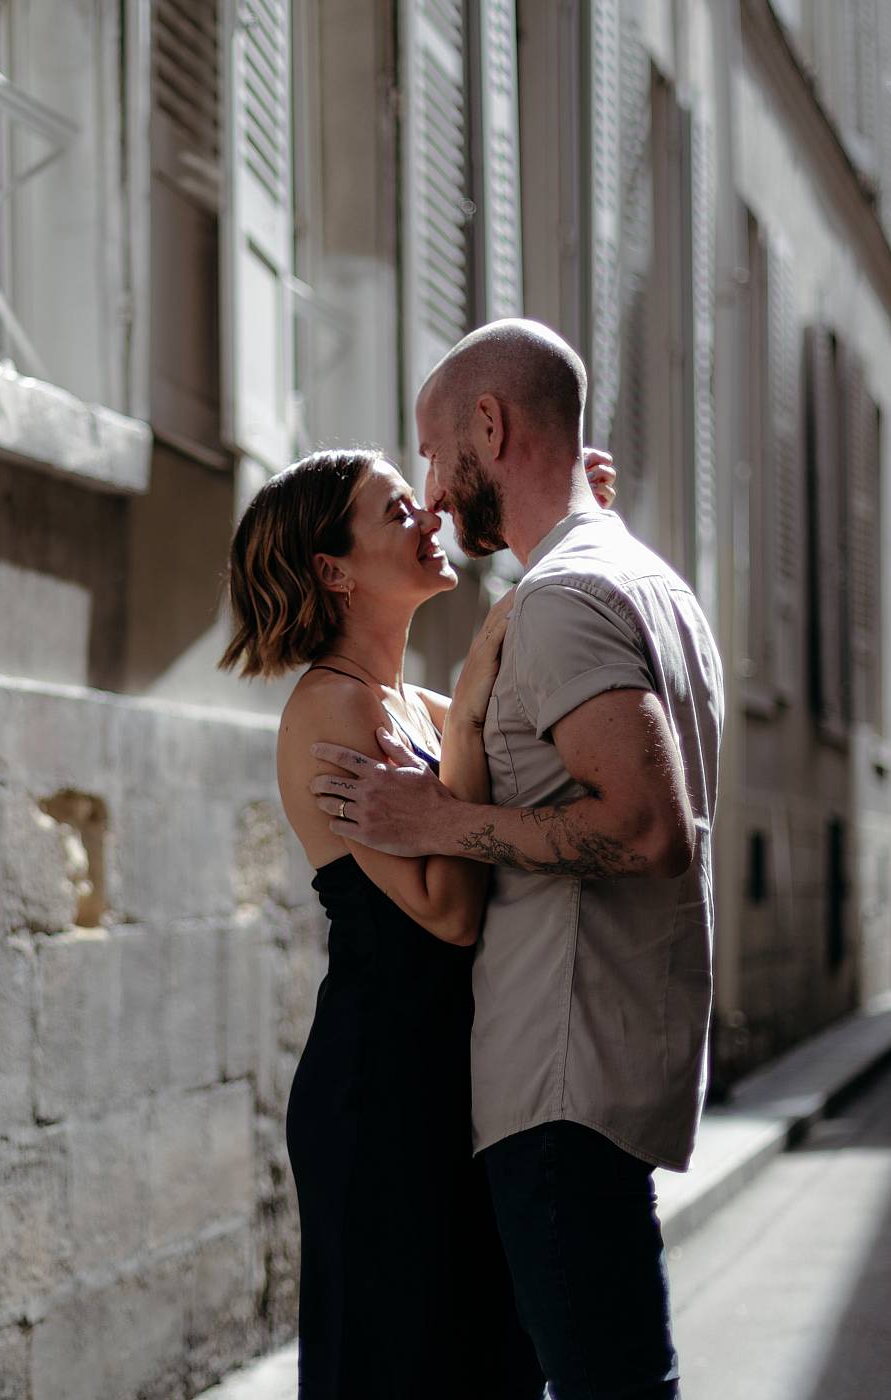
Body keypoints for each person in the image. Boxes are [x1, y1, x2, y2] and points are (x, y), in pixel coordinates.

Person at [310, 319, 725, 1400]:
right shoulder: (649, 584)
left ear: (488, 427)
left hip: (560, 1075)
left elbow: (648, 829)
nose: (434, 497)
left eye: (435, 457)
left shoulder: (564, 600)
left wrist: (439, 824)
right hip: (604, 1060)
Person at [218, 442, 616, 1398]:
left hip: (453, 1082)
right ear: (334, 571)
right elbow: (447, 910)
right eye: (397, 511)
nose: (429, 518)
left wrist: (565, 521)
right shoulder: (331, 709)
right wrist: (470, 700)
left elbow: (524, 703)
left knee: (485, 1364)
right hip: (381, 1093)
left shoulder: (417, 707)